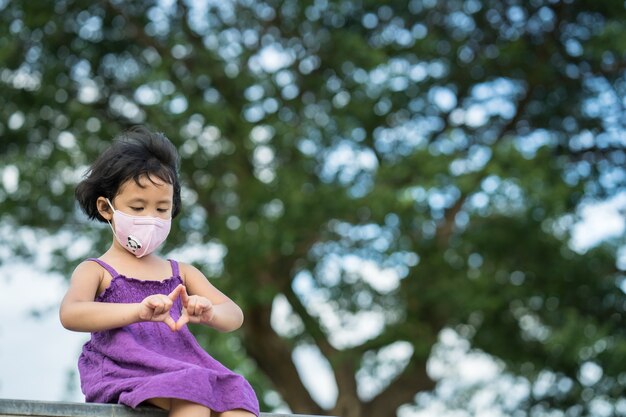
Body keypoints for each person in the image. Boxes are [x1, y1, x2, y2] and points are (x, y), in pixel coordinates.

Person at [59, 126, 259, 417]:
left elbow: (234, 315)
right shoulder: (96, 270)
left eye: (161, 209)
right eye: (138, 207)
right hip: (124, 371)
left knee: (237, 394)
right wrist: (137, 311)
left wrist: (209, 313)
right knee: (194, 393)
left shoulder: (182, 273)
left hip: (183, 367)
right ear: (106, 208)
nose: (150, 219)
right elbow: (71, 314)